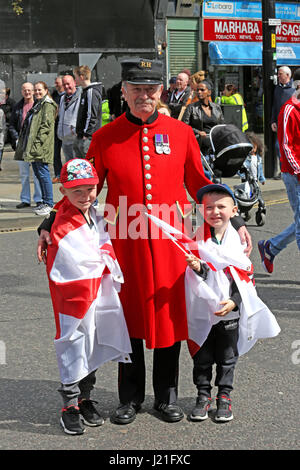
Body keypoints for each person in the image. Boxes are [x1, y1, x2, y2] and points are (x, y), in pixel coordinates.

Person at [37, 58, 252, 425]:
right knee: (129, 318)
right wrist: (52, 218)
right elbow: (84, 186)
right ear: (124, 91)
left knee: (169, 318)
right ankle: (130, 398)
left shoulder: (181, 134)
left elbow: (199, 183)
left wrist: (235, 216)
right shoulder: (106, 137)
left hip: (171, 245)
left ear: (160, 92)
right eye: (136, 89)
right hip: (125, 244)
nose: (144, 96)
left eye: (150, 89)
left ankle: (166, 397)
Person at [45, 158, 131, 435]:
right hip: (74, 296)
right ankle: (69, 405)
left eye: (90, 189)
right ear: (64, 193)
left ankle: (84, 398)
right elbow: (69, 261)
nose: (85, 196)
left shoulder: (94, 213)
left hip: (96, 292)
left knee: (91, 343)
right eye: (77, 191)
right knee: (73, 343)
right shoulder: (62, 222)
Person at [185, 184, 280, 422]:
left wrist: (235, 302)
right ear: (201, 211)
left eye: (221, 206)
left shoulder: (237, 245)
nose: (215, 211)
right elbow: (200, 275)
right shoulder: (198, 241)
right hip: (204, 312)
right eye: (209, 207)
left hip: (229, 313)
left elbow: (243, 278)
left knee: (228, 357)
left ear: (234, 209)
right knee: (202, 357)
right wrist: (198, 268)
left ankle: (224, 396)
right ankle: (203, 395)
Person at [258, 69, 300, 274]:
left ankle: (271, 247)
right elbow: (285, 147)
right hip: (295, 175)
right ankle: (271, 247)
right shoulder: (289, 110)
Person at [14, 81, 57, 216]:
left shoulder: (48, 105)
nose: (37, 92)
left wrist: (37, 144)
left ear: (46, 90)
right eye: (36, 90)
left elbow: (45, 126)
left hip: (41, 147)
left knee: (43, 175)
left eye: (40, 90)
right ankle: (45, 202)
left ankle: (49, 203)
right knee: (39, 174)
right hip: (33, 147)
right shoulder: (38, 104)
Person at [8, 82, 42, 208]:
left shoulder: (39, 105)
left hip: (35, 144)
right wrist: (16, 138)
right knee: (24, 174)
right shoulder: (17, 106)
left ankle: (39, 199)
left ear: (33, 91)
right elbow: (11, 125)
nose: (27, 93)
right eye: (24, 90)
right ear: (22, 91)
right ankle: (25, 199)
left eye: (29, 90)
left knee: (37, 173)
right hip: (21, 144)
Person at [182, 80, 224, 179]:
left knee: (217, 174)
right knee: (205, 174)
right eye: (197, 90)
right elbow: (184, 126)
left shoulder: (216, 108)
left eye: (202, 90)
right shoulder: (191, 108)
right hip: (199, 145)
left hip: (214, 145)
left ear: (209, 92)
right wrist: (198, 132)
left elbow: (222, 126)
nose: (199, 92)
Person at [73, 65, 102, 157]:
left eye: (76, 77)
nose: (75, 80)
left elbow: (91, 115)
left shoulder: (91, 92)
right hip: (81, 135)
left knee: (89, 164)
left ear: (81, 77)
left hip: (87, 138)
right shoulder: (84, 91)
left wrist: (87, 134)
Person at [271, 66, 294, 179]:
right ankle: (284, 171)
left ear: (288, 75)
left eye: (280, 74)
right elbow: (274, 106)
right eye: (278, 74)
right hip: (280, 125)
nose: (278, 76)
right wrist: (273, 121)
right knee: (278, 147)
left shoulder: (294, 89)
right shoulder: (277, 88)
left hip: (292, 125)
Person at [57, 74, 81, 163]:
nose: (66, 87)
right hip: (64, 139)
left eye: (68, 84)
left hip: (75, 139)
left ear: (74, 83)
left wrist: (74, 131)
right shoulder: (62, 98)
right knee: (69, 166)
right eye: (64, 85)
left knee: (77, 166)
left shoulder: (81, 96)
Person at [51, 76, 64, 183]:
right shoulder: (53, 95)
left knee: (69, 152)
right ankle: (58, 174)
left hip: (66, 128)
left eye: (58, 83)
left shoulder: (69, 95)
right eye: (55, 83)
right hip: (55, 128)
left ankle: (69, 174)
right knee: (55, 152)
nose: (56, 84)